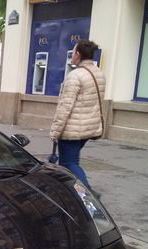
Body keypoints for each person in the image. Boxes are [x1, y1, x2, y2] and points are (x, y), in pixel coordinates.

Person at [50, 39, 105, 189]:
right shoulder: (98, 74)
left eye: (73, 52)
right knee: (72, 161)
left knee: (68, 163)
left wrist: (55, 131)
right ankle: (71, 191)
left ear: (78, 54)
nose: (72, 56)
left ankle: (87, 194)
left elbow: (65, 107)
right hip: (89, 127)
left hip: (72, 129)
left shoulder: (75, 76)